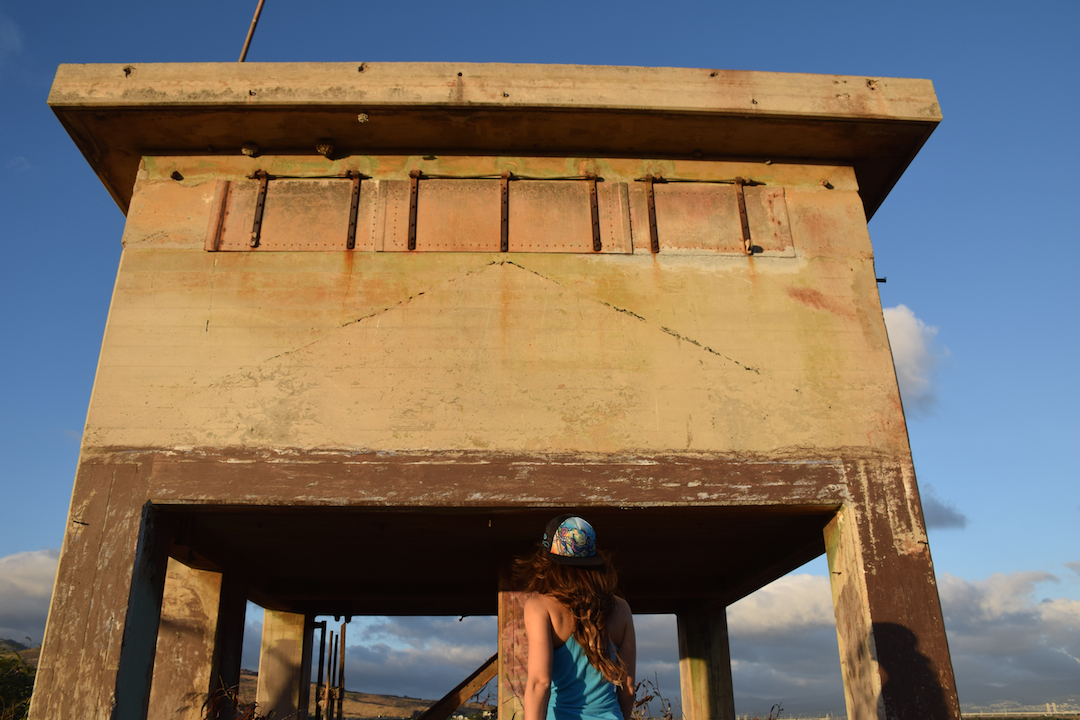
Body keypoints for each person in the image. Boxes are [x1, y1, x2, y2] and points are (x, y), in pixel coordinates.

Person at [514, 515, 637, 720]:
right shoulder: (621, 608)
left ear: (547, 558)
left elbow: (539, 684)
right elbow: (628, 688)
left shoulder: (540, 607)